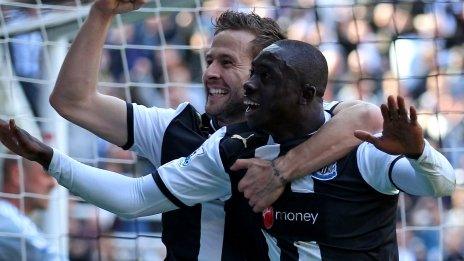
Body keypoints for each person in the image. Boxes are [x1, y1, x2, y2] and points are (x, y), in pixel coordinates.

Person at [0, 40, 455, 259]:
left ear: (306, 93)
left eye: (261, 75)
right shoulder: (231, 145)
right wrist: (49, 159)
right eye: (250, 71)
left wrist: (420, 153)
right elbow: (136, 198)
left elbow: (440, 183)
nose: (248, 84)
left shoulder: (358, 142)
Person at [48, 0, 382, 259]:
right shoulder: (172, 128)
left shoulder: (294, 130)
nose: (210, 72)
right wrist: (101, 14)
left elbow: (365, 116)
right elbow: (72, 101)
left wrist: (281, 170)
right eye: (209, 60)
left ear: (267, 74)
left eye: (227, 63)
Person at [0, 156, 58, 260]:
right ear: (17, 175)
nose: (54, 184)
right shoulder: (7, 225)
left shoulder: (17, 223)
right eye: (47, 174)